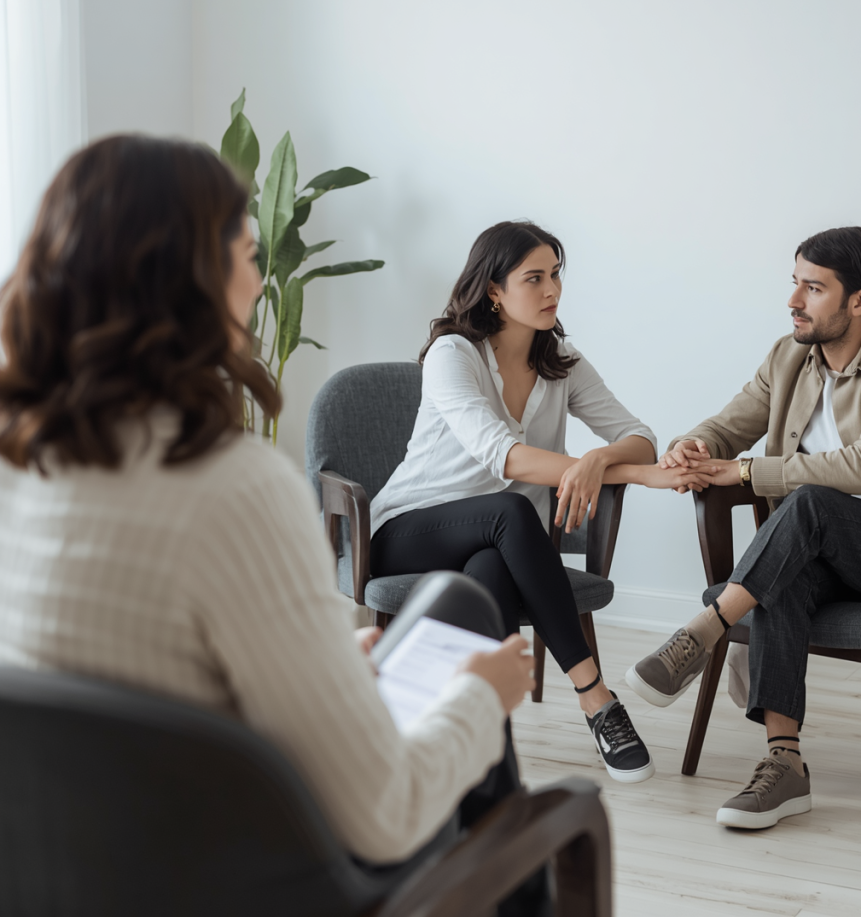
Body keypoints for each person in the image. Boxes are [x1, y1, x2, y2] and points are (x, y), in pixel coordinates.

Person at [0, 136, 543, 911]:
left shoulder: (20, 459)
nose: (260, 282)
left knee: (456, 603)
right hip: (258, 884)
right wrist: (479, 698)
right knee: (474, 655)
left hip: (77, 869)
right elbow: (385, 816)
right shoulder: (230, 485)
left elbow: (119, 697)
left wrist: (323, 665)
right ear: (190, 277)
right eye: (247, 255)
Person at [625, 226, 861, 829]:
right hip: (824, 551)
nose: (793, 301)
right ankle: (785, 765)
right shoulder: (789, 356)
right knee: (784, 575)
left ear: (860, 300)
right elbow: (728, 426)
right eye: (795, 283)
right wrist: (691, 448)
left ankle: (703, 631)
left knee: (810, 504)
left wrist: (745, 470)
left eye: (813, 288)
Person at [370, 221, 708, 783]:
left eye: (555, 275)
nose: (552, 290)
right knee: (511, 509)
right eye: (534, 278)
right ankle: (597, 699)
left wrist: (600, 460)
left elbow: (638, 434)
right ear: (494, 290)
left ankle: (488, 749)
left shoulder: (561, 361)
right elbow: (503, 457)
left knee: (490, 569)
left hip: (497, 544)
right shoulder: (453, 354)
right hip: (409, 531)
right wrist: (637, 475)